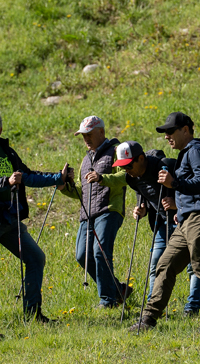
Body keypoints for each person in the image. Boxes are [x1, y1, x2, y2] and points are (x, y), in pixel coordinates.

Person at [0, 110, 71, 322]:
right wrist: (6, 181)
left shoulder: (8, 152)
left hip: (10, 220)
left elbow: (26, 176)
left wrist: (58, 178)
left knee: (36, 258)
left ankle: (32, 314)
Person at [130, 112, 200, 335]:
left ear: (186, 130)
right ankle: (149, 319)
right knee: (165, 264)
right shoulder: (187, 153)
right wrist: (179, 208)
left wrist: (175, 183)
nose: (166, 136)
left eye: (170, 131)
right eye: (165, 133)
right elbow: (194, 185)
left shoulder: (197, 151)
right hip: (188, 218)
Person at [113, 141, 200, 316]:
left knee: (194, 264)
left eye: (128, 165)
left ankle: (192, 307)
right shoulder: (132, 178)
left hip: (186, 220)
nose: (126, 170)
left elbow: (194, 189)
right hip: (163, 223)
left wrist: (177, 204)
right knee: (156, 264)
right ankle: (152, 308)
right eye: (122, 167)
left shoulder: (168, 166)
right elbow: (143, 194)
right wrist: (143, 208)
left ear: (141, 159)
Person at [59, 116, 129, 308]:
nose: (86, 139)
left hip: (109, 210)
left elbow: (126, 175)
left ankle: (107, 300)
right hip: (87, 214)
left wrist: (102, 178)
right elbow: (81, 190)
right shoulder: (86, 159)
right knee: (82, 255)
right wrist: (64, 186)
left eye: (89, 134)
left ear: (101, 132)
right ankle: (118, 290)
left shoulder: (116, 151)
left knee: (100, 252)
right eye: (83, 135)